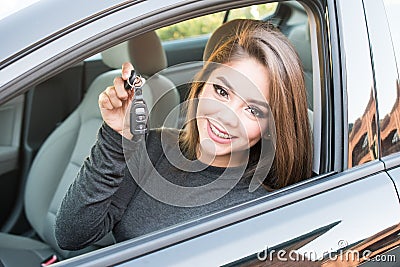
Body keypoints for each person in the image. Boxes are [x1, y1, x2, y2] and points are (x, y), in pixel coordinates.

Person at [55, 19, 312, 251]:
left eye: (253, 110)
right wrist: (116, 138)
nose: (226, 117)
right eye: (222, 92)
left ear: (272, 126)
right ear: (201, 87)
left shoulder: (264, 206)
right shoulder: (153, 146)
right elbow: (71, 235)